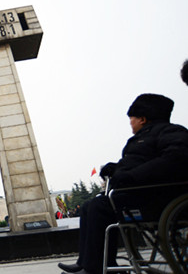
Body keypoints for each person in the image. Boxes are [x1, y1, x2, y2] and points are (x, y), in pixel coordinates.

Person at [58, 93, 188, 274]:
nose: (130, 123)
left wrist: (131, 176)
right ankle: (86, 262)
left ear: (142, 119)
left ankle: (95, 268)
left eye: (131, 119)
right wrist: (116, 168)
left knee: (98, 207)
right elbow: (140, 161)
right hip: (139, 194)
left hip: (156, 197)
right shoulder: (144, 137)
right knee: (89, 206)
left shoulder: (170, 132)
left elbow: (173, 160)